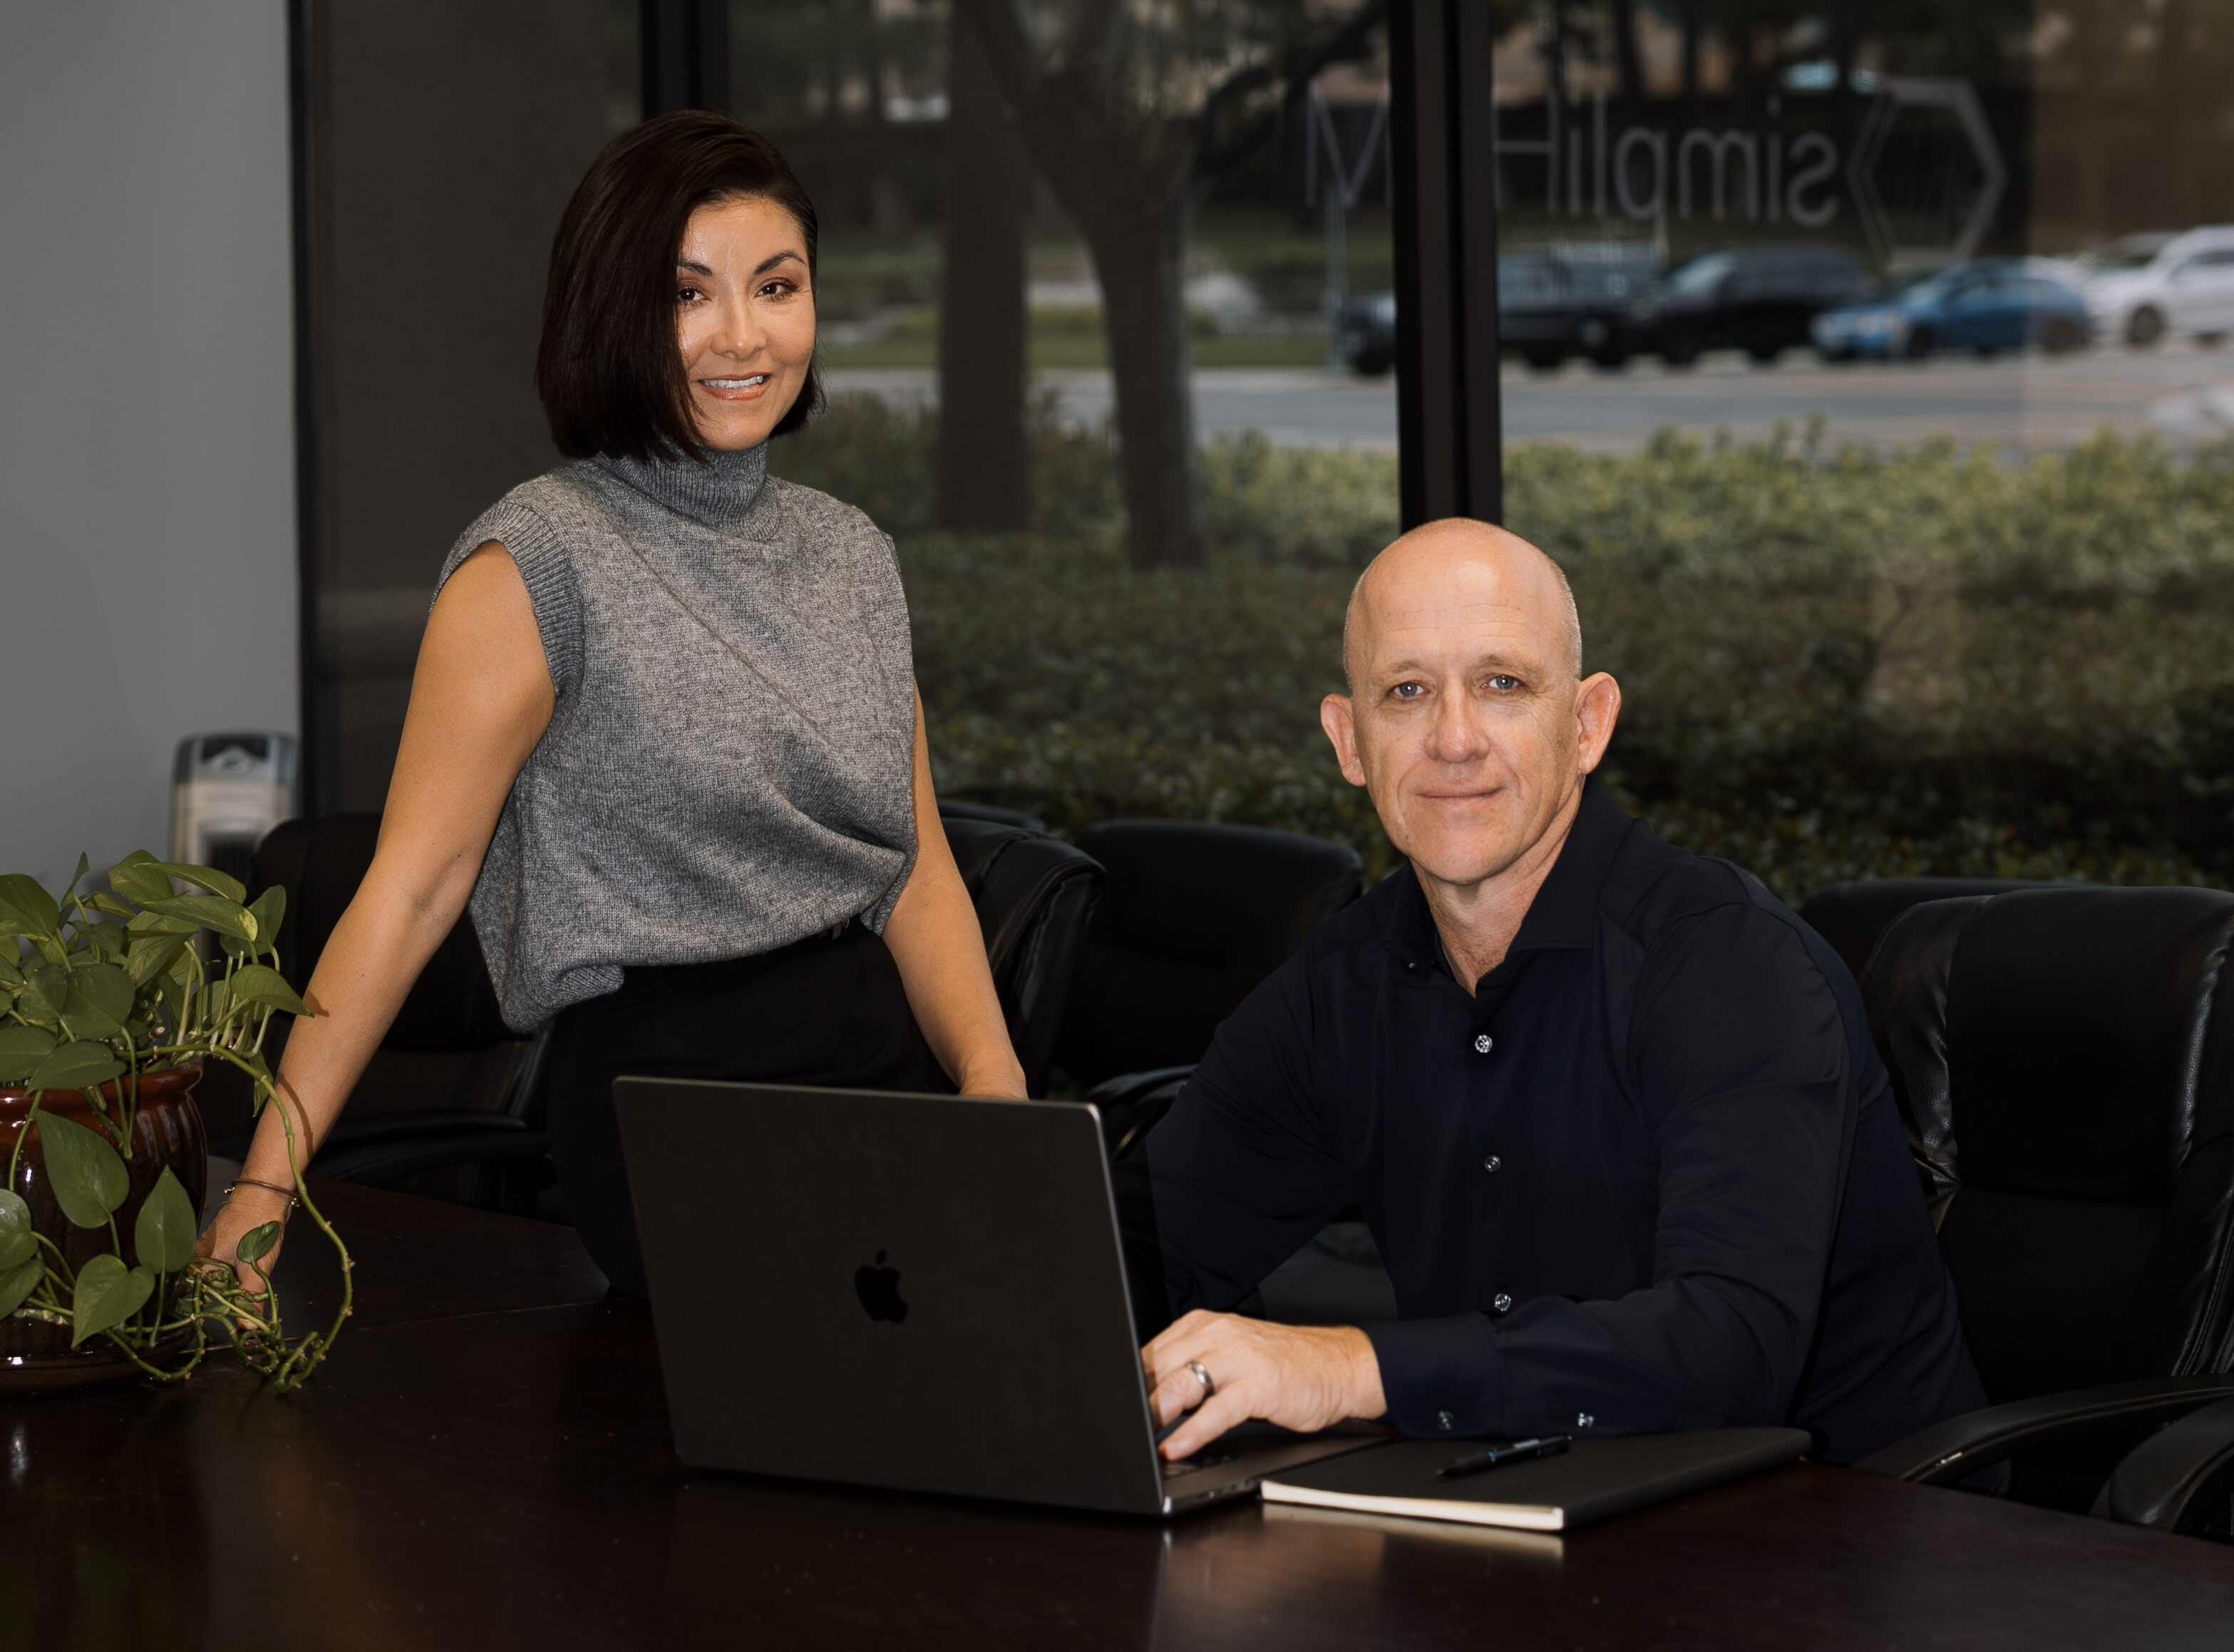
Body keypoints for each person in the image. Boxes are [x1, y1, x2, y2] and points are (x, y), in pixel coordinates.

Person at [200, 113, 1026, 1296]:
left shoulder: (852, 555)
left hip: (873, 1058)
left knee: (1013, 1360)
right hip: (669, 1094)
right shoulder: (538, 563)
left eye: (775, 286)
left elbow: (914, 866)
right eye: (688, 295)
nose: (743, 335)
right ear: (614, 313)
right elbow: (412, 889)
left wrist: (996, 1094)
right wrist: (263, 1191)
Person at [1125, 518, 1987, 1466]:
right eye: (1405, 691)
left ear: (1586, 724)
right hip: (1530, 1517)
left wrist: (1352, 1368)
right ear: (1349, 740)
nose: (1454, 739)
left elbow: (1727, 1350)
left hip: (1853, 1544)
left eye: (1501, 685)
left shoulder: (1730, 966)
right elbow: (1146, 1247)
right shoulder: (1343, 985)